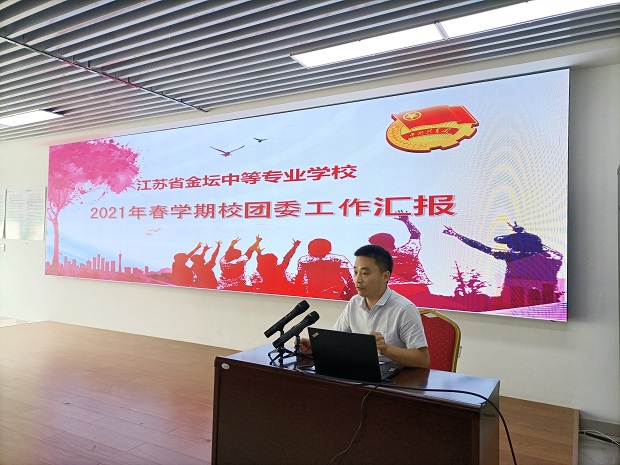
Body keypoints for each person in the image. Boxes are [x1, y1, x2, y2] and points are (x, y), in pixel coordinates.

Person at [299, 244, 429, 368]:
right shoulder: (354, 302)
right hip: (359, 369)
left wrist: (386, 349)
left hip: (394, 376)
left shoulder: (404, 309)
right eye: (356, 272)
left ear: (385, 276)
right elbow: (338, 340)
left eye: (365, 273)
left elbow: (423, 360)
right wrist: (315, 346)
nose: (358, 279)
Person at [443, 222, 563, 307]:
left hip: (515, 299)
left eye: (511, 245)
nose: (510, 248)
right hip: (547, 300)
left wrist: (456, 235)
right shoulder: (553, 259)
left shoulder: (513, 256)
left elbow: (482, 247)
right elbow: (555, 255)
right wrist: (522, 233)